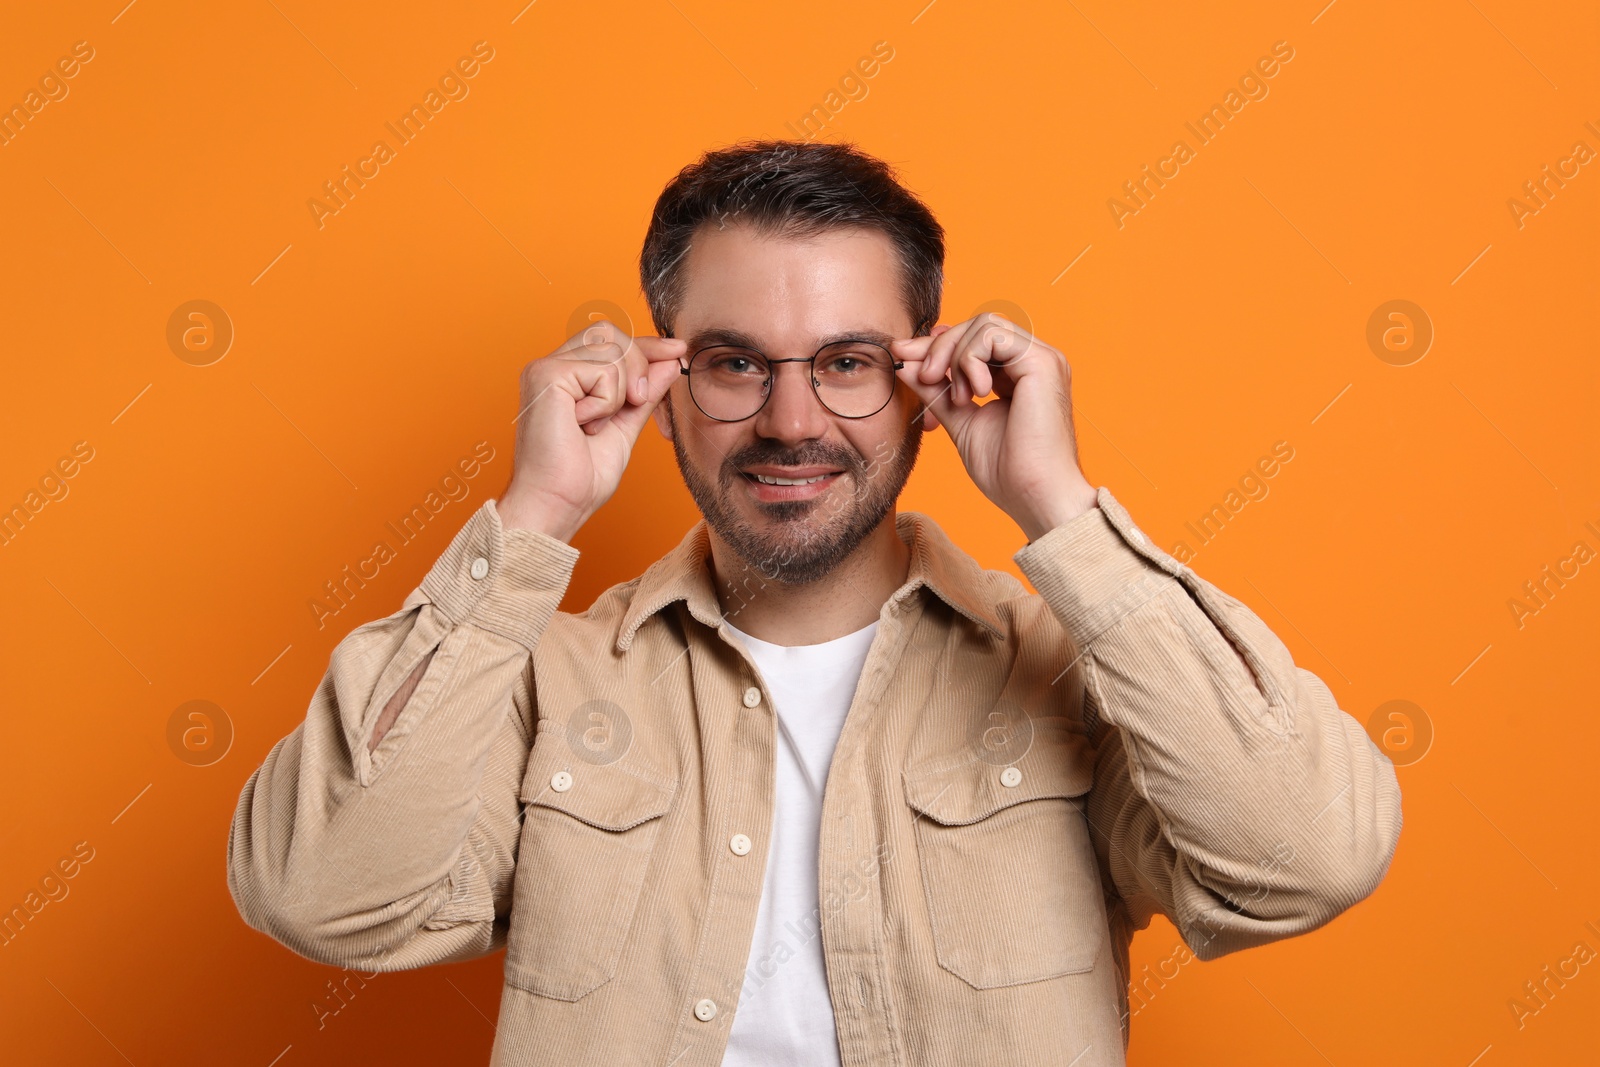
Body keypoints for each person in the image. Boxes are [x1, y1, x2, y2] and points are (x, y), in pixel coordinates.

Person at [226, 139, 1402, 1066]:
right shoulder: (543, 679)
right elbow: (319, 893)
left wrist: (1060, 507)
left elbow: (1307, 857)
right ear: (664, 385)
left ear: (927, 387)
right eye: (736, 361)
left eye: (847, 362)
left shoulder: (1069, 669)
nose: (792, 422)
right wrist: (534, 513)